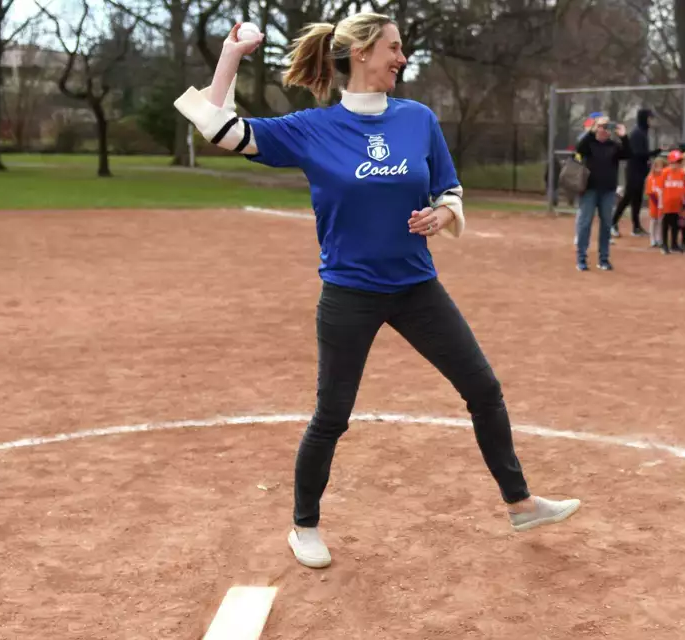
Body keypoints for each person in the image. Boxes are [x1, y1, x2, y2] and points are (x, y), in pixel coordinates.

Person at [174, 15, 581, 569]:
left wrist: (443, 213)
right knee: (332, 415)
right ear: (363, 53)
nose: (402, 57)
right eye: (394, 47)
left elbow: (449, 186)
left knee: (483, 388)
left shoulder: (418, 120)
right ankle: (304, 526)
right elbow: (220, 130)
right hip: (349, 293)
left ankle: (521, 503)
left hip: (417, 288)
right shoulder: (312, 128)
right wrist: (232, 56)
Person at [575, 115, 631, 271]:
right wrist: (592, 130)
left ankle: (604, 259)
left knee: (606, 225)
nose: (605, 130)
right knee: (585, 224)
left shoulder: (613, 145)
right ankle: (581, 259)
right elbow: (579, 146)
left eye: (607, 128)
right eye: (602, 127)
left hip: (608, 190)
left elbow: (628, 154)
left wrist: (624, 136)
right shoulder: (589, 143)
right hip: (589, 189)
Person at [612, 108, 659, 237]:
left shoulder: (643, 132)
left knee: (637, 199)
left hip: (640, 170)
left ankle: (636, 226)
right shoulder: (637, 133)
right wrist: (654, 153)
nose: (651, 120)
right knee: (628, 197)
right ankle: (612, 223)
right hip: (634, 170)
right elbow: (636, 154)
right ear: (644, 118)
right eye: (649, 118)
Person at [659, 149, 685, 254]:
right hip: (666, 203)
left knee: (675, 224)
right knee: (665, 224)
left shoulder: (681, 173)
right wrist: (660, 203)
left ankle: (674, 244)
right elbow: (661, 189)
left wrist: (682, 201)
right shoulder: (665, 172)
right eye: (676, 162)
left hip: (676, 203)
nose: (677, 164)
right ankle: (664, 244)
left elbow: (682, 188)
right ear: (670, 162)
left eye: (679, 162)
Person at [645, 156, 666, 248]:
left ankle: (659, 238)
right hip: (654, 203)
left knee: (660, 221)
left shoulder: (664, 177)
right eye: (657, 166)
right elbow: (650, 192)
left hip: (663, 202)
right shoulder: (651, 178)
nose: (659, 169)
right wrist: (657, 203)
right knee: (654, 220)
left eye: (661, 166)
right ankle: (652, 239)